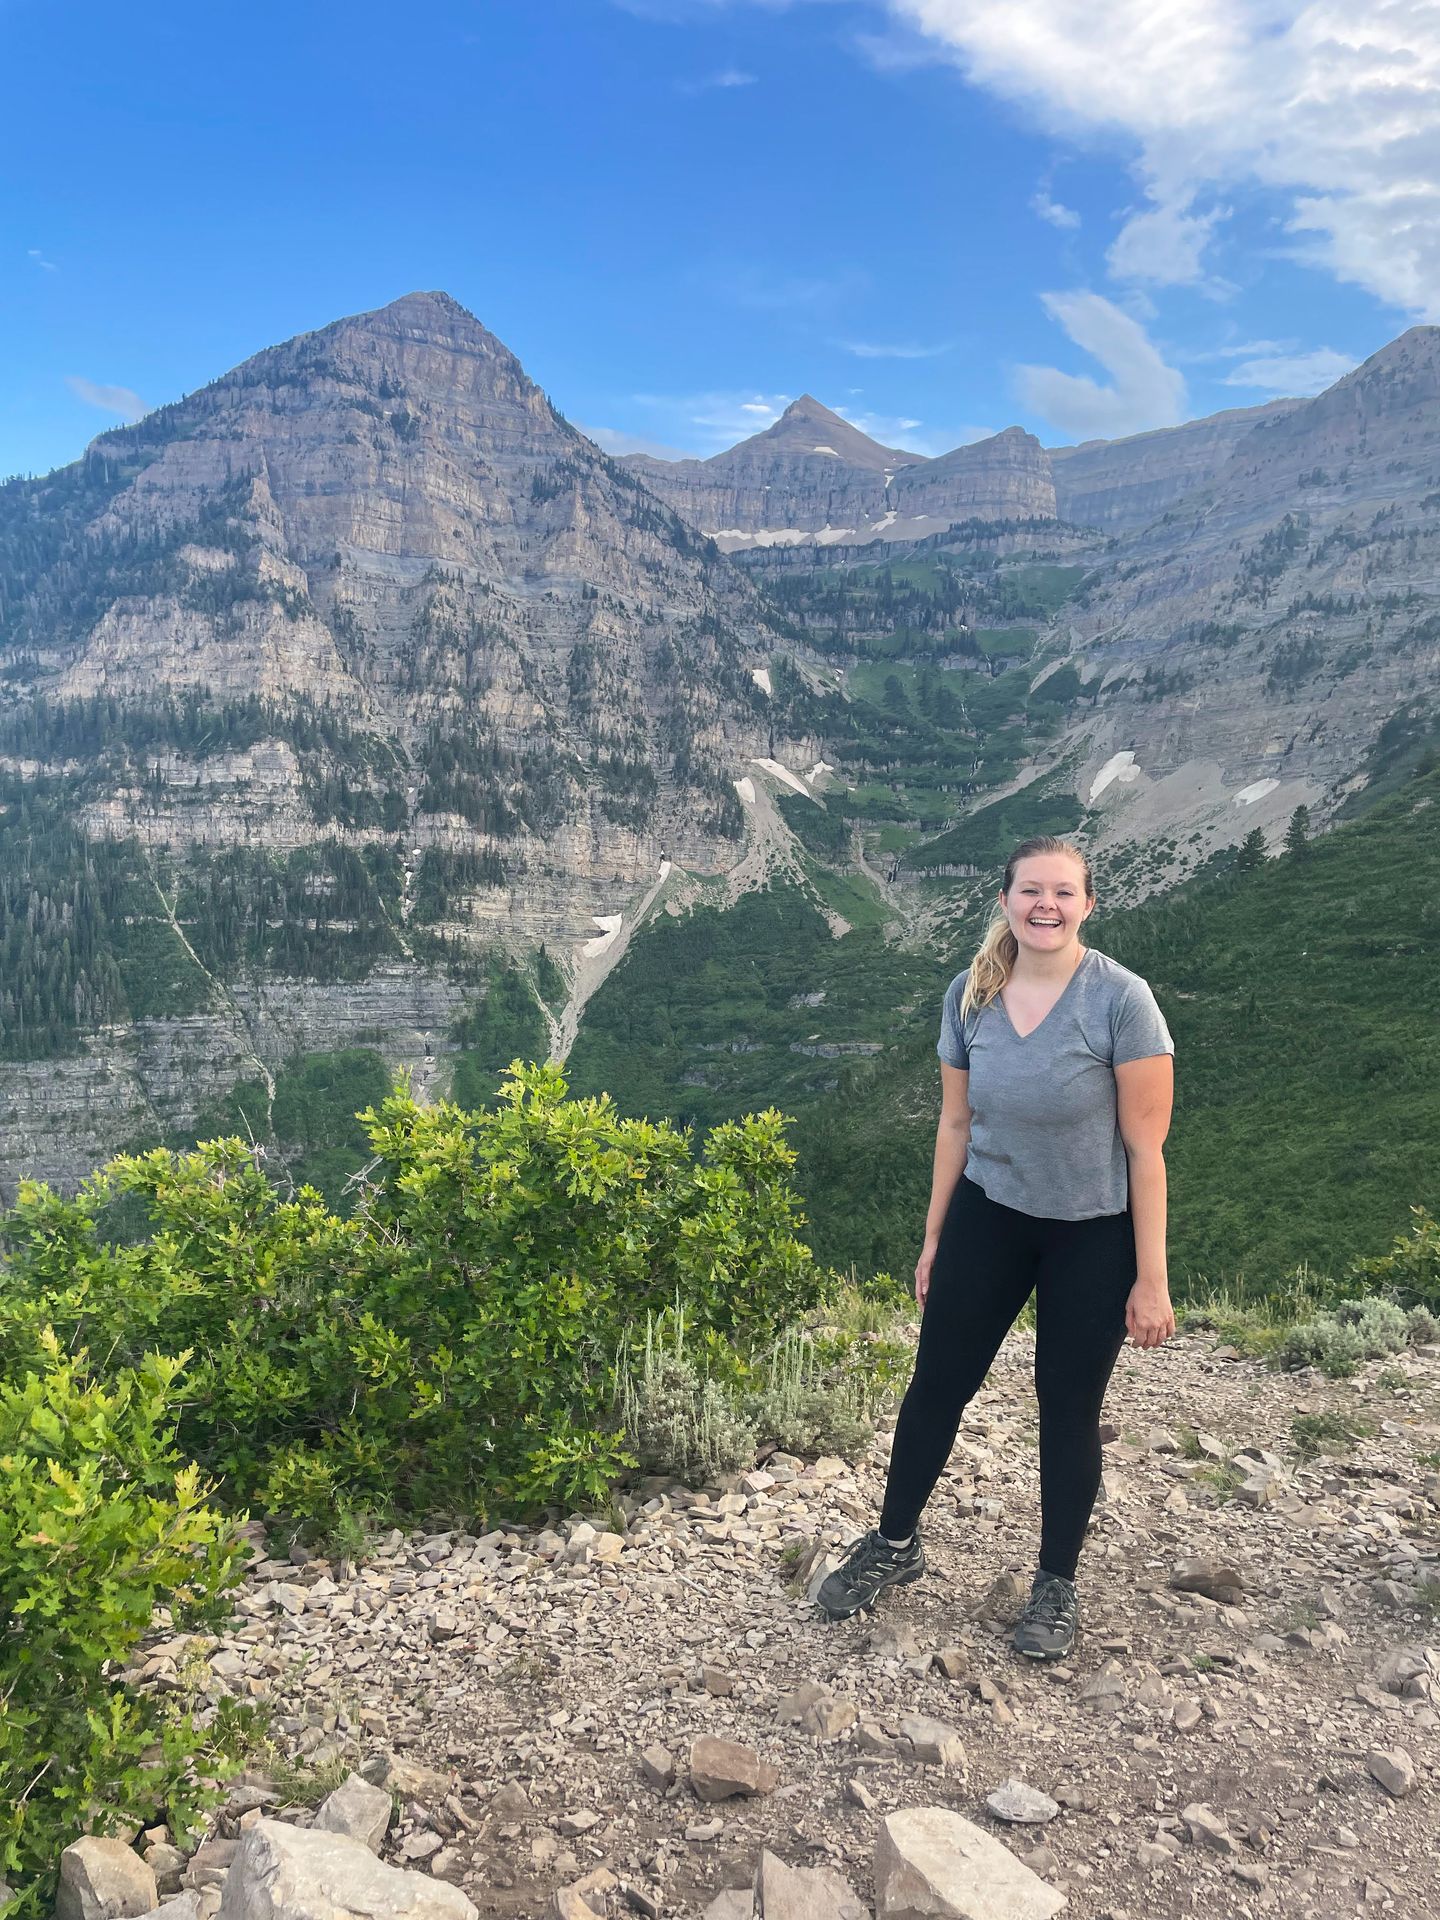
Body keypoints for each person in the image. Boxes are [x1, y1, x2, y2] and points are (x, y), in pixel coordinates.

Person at [816, 835, 1176, 1660]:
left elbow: (1147, 1149)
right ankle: (895, 1545)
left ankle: (1056, 1583)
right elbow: (955, 1123)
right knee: (937, 1383)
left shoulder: (1122, 1001)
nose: (1044, 905)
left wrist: (1150, 1278)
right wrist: (936, 1235)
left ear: (1088, 904)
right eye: (1029, 891)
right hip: (990, 1214)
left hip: (1093, 1231)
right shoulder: (971, 993)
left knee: (1067, 1406)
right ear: (1006, 900)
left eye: (1062, 893)